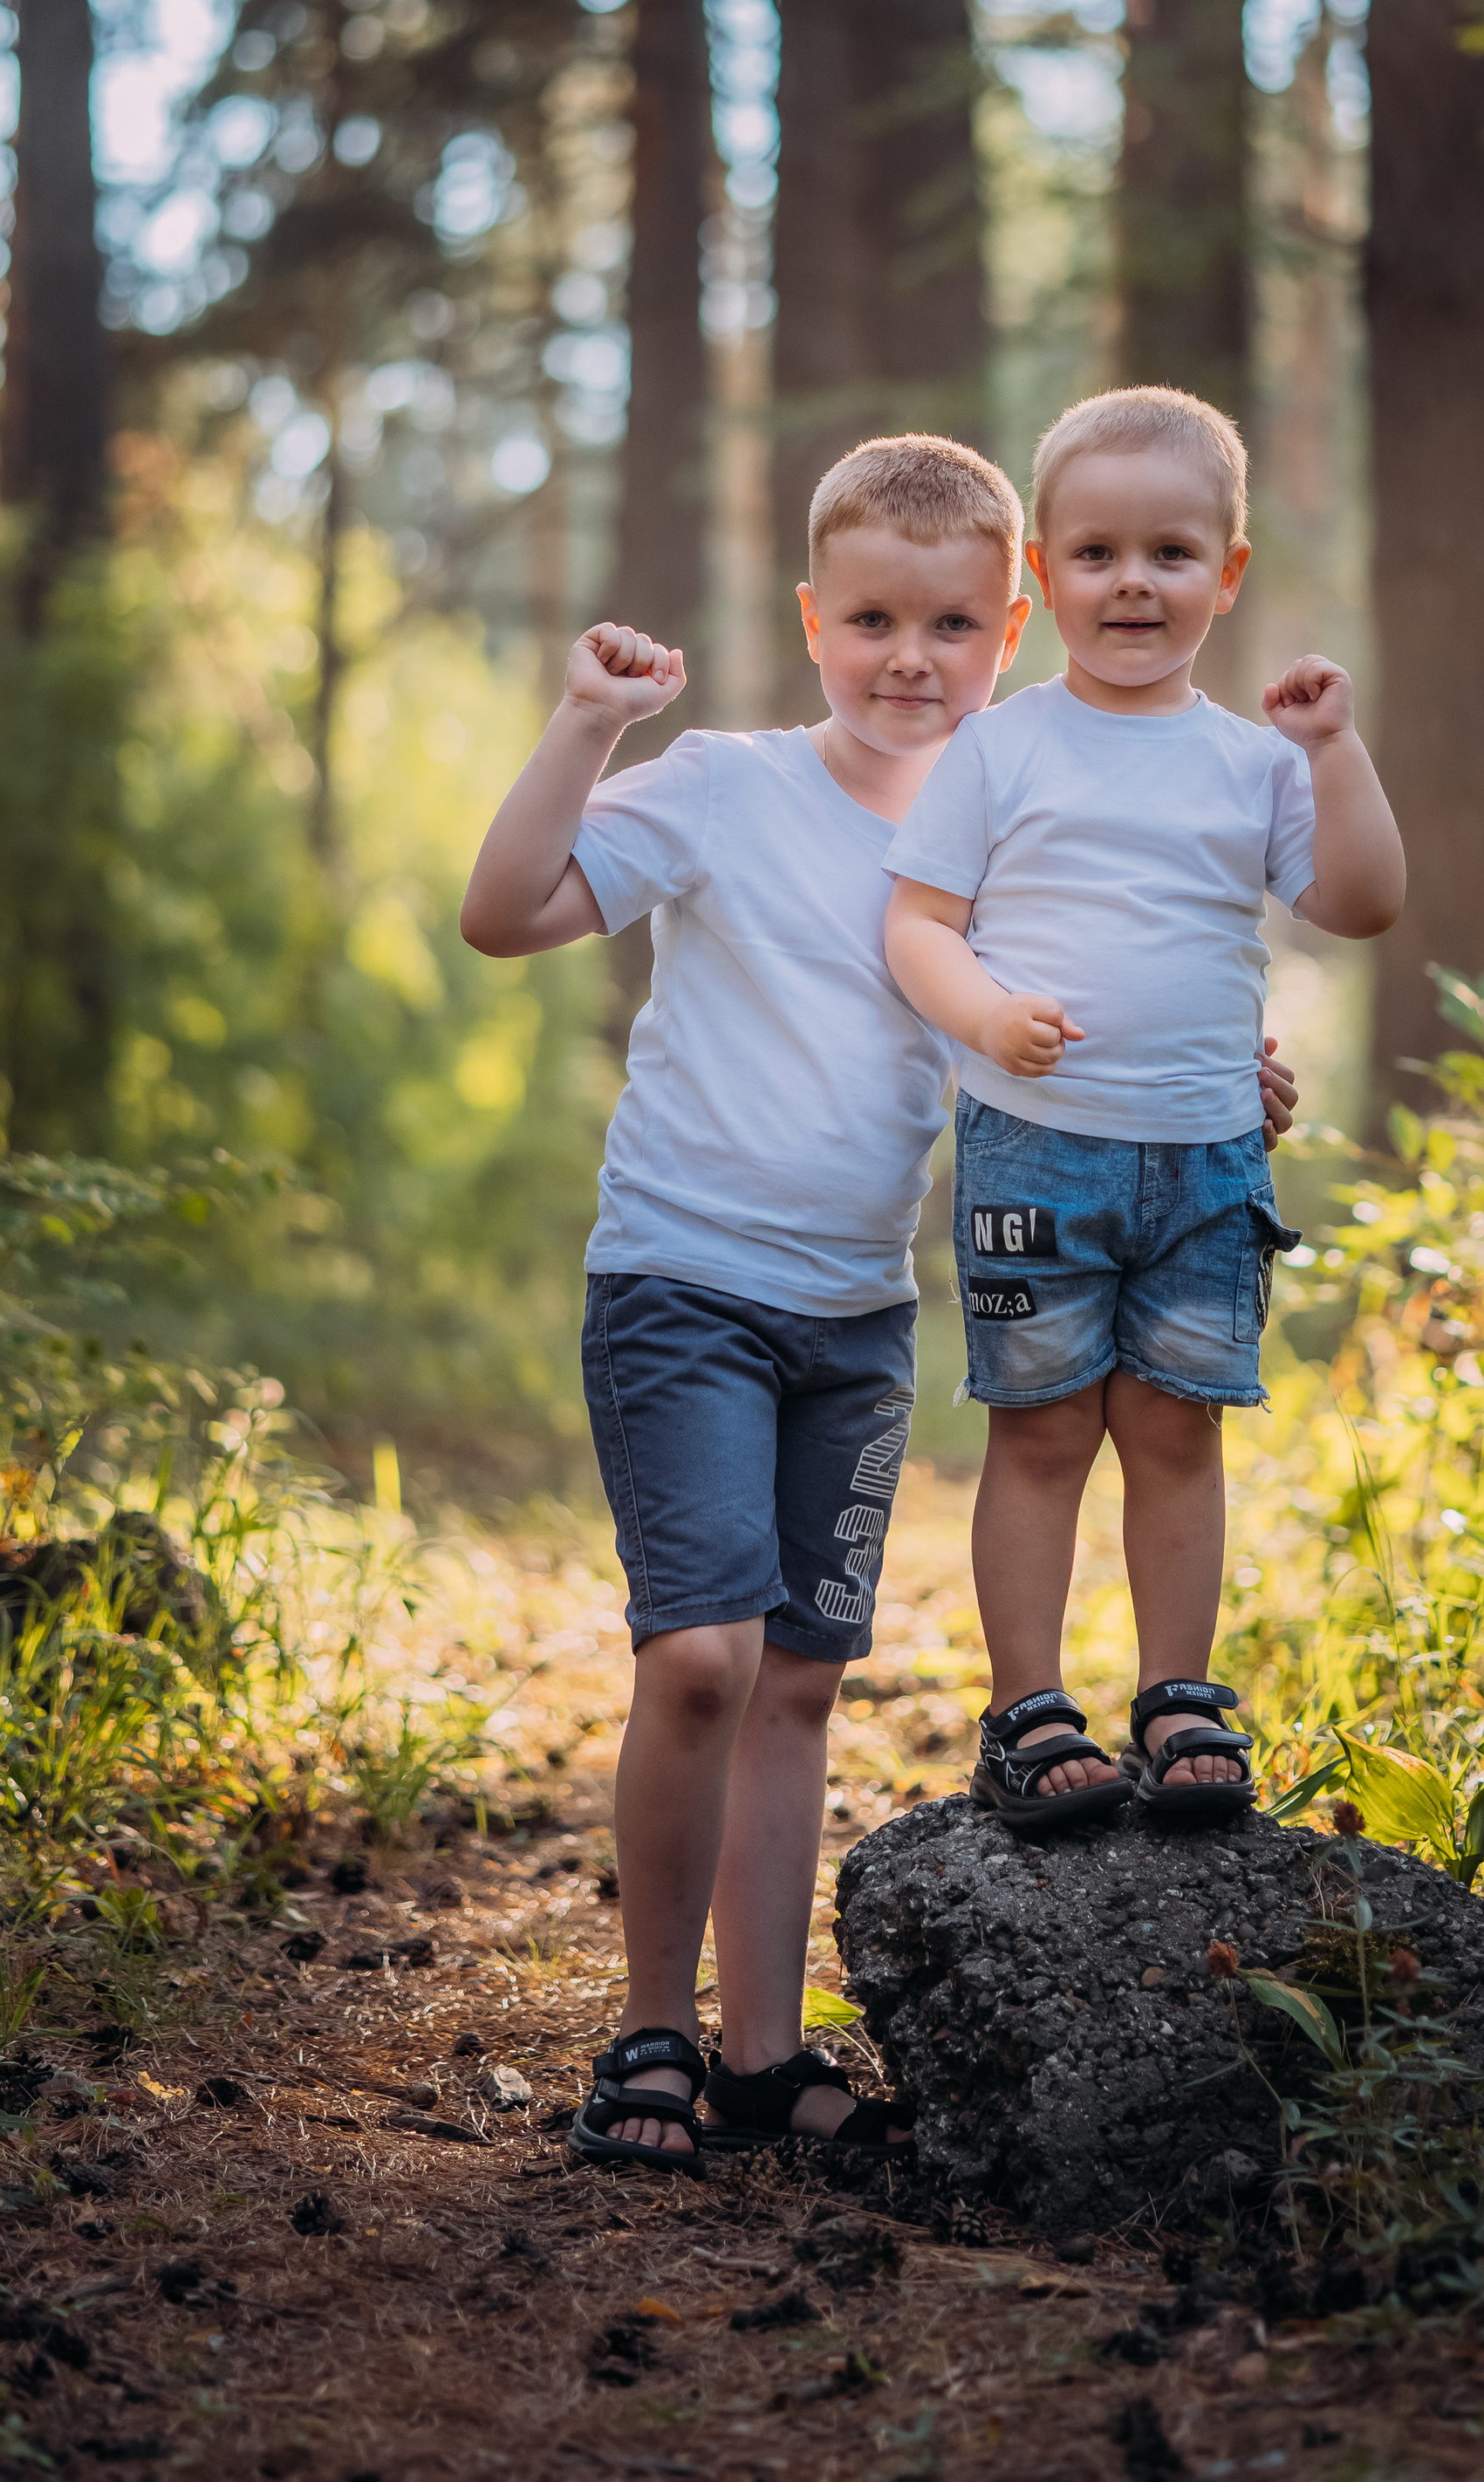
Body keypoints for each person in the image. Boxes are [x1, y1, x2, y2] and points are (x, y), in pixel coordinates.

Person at [459, 431, 1300, 2172]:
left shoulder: (1017, 821)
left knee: (795, 1686)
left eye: (944, 626)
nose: (905, 659)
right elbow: (502, 910)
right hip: (682, 1277)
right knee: (696, 1655)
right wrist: (584, 722)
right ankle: (648, 2032)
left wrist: (1231, 1074)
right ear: (811, 618)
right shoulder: (725, 783)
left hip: (855, 1314)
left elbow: (1106, 1015)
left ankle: (760, 2057)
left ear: (1008, 626)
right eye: (866, 620)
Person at [883, 386, 1404, 1836]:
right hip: (1034, 1151)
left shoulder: (1251, 759)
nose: (1132, 581)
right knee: (1041, 1432)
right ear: (1041, 577)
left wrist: (1335, 750)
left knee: (1178, 1429)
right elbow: (917, 923)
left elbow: (1361, 903)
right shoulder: (1002, 744)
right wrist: (985, 1012)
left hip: (1206, 1160)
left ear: (1225, 575)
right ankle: (1029, 1707)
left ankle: (1180, 1695)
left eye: (1170, 552)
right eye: (1096, 553)